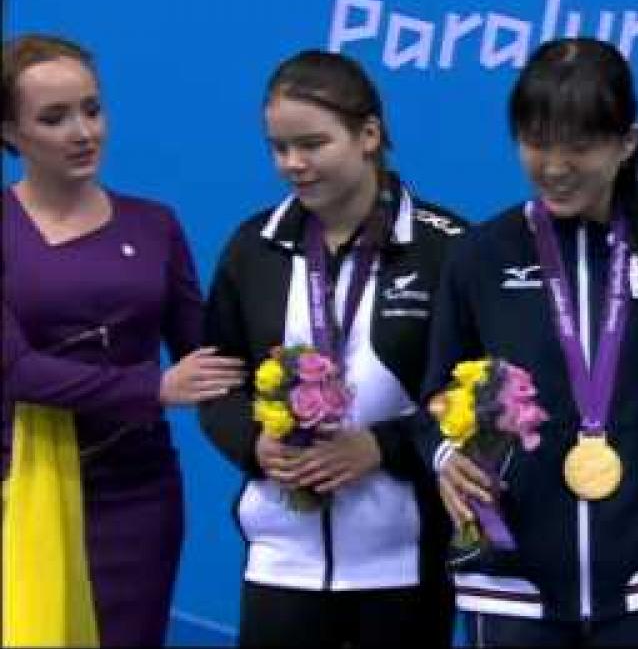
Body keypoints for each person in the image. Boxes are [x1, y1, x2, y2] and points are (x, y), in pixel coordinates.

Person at [416, 37, 638, 647]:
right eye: (537, 143)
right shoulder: (480, 254)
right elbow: (434, 396)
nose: (556, 165)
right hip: (511, 566)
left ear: (626, 143)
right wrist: (444, 458)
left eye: (580, 145)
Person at [198, 49, 466, 647]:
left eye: (312, 144)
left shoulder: (444, 249)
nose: (293, 164)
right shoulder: (253, 249)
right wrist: (254, 443)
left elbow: (475, 395)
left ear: (368, 134)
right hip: (279, 559)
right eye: (278, 148)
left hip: (405, 560)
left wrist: (381, 447)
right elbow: (218, 384)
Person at [0, 34, 245, 646]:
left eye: (92, 108)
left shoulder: (155, 224)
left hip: (139, 496)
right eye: (54, 118)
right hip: (17, 486)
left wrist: (293, 394)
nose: (83, 131)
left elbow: (206, 352)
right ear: (9, 131)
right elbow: (13, 372)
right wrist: (154, 387)